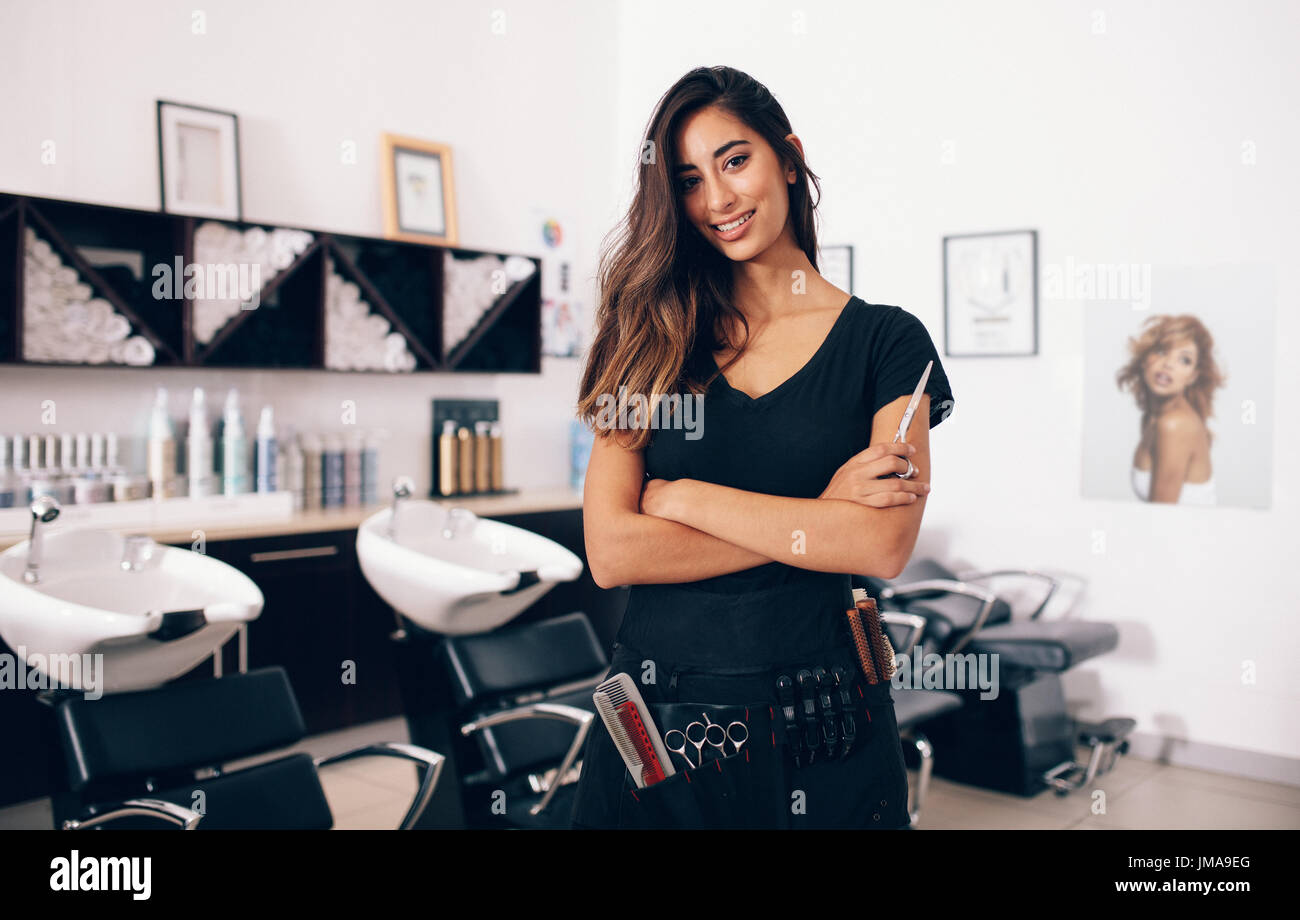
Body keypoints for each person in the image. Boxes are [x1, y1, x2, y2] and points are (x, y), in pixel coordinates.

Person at [569, 65, 955, 829]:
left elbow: (880, 544)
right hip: (660, 718)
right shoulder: (644, 337)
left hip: (830, 715)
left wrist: (685, 502)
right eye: (688, 178)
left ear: (787, 155)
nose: (718, 200)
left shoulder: (889, 343)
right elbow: (612, 551)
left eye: (734, 159)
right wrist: (818, 519)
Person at [1116, 314, 1223, 506]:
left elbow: (1161, 519)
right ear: (1144, 359)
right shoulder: (1152, 417)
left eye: (1184, 360)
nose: (1168, 364)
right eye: (1162, 351)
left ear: (1192, 377)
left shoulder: (1174, 424)